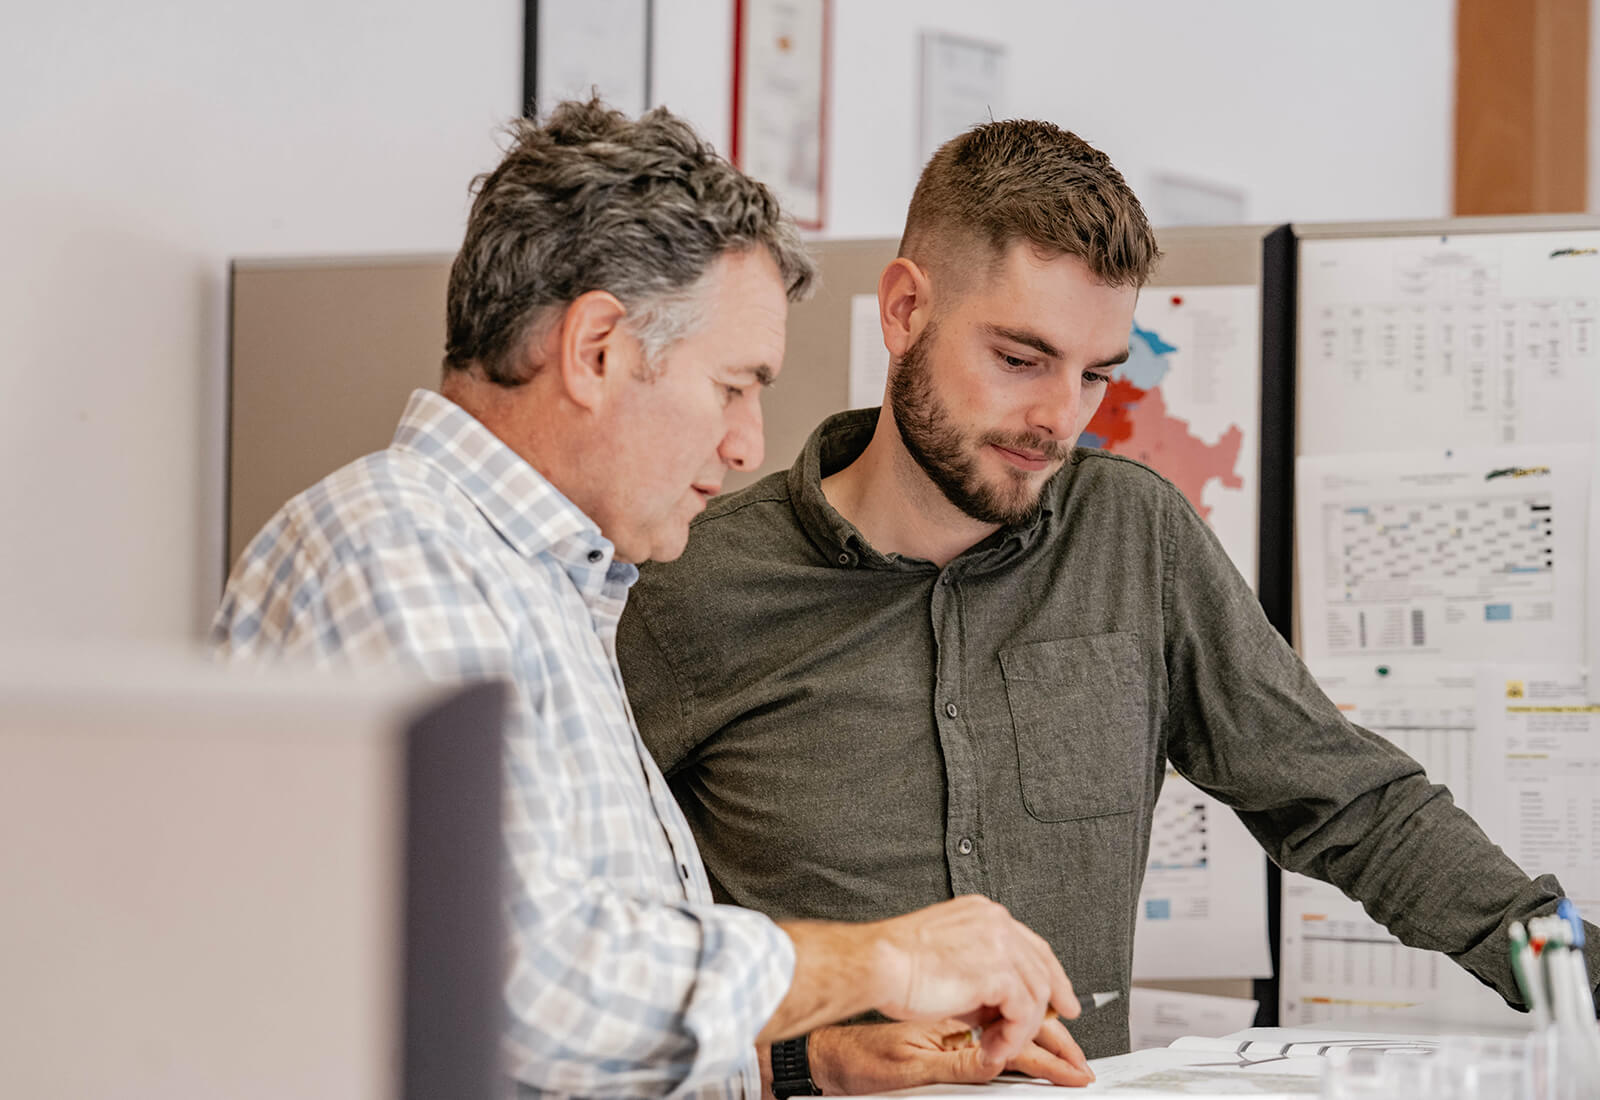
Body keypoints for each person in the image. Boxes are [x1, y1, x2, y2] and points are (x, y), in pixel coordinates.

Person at [616, 117, 1600, 1080]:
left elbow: (1357, 808)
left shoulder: (1133, 538)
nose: (1058, 419)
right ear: (904, 309)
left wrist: (1577, 970)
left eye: (1094, 374)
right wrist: (798, 1059)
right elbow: (573, 951)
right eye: (1020, 358)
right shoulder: (688, 581)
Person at [212, 100, 1091, 1099]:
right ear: (595, 349)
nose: (748, 444)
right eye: (731, 386)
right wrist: (886, 960)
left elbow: (575, 1037)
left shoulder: (542, 584)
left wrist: (810, 1060)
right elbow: (519, 988)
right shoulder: (396, 549)